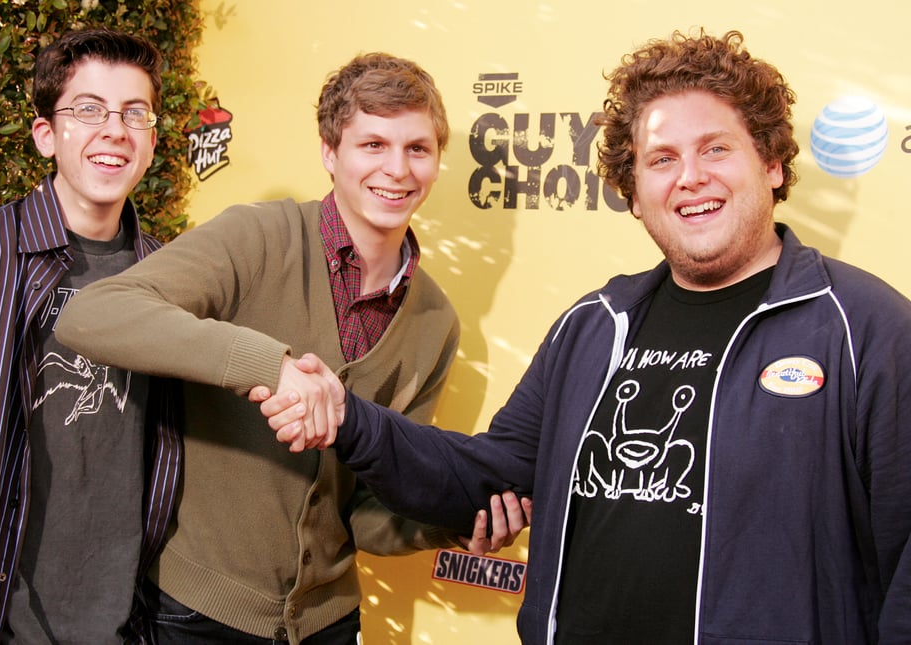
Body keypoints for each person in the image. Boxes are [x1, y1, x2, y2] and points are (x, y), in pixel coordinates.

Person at [260, 29, 911, 644]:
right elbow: (485, 478)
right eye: (661, 159)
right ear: (634, 193)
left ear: (771, 161)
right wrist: (349, 419)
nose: (690, 177)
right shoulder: (595, 323)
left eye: (715, 148)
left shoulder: (865, 329)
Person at [54, 52, 527, 645]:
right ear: (331, 154)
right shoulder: (257, 237)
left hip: (330, 624)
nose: (398, 170)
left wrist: (450, 524)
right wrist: (268, 366)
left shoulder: (436, 321)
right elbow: (93, 315)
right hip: (195, 615)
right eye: (373, 145)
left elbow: (369, 517)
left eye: (417, 149)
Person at [0, 28, 180, 644]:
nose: (115, 130)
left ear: (151, 140)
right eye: (88, 109)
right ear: (46, 133)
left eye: (135, 113)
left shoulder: (171, 279)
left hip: (123, 626)